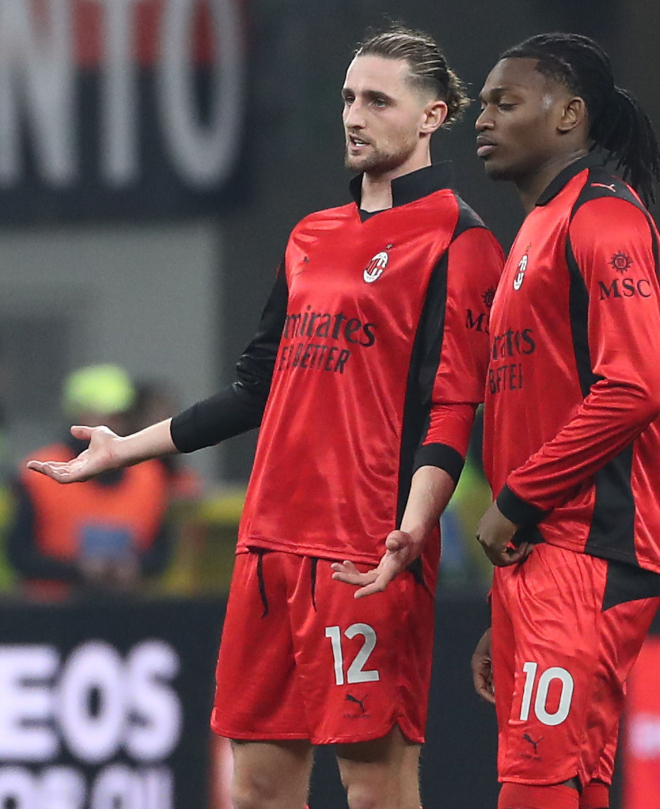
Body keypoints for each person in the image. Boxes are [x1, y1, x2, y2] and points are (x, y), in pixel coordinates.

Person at [27, 26, 502, 809]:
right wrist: (124, 451)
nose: (354, 114)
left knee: (374, 787)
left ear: (432, 116)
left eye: (378, 99)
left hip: (362, 548)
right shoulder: (308, 236)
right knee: (254, 788)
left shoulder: (459, 240)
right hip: (267, 545)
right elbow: (256, 387)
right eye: (349, 97)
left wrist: (414, 526)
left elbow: (450, 406)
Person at [473, 33, 660, 809]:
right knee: (575, 785)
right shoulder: (533, 228)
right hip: (541, 559)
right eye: (484, 103)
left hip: (590, 545)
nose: (483, 118)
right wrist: (507, 605)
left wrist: (517, 502)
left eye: (505, 102)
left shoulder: (605, 221)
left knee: (533, 787)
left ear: (568, 116)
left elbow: (635, 386)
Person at [9, 364, 172, 599]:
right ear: (78, 416)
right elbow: (19, 555)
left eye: (119, 416)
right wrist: (79, 570)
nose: (112, 426)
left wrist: (133, 568)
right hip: (50, 614)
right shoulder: (40, 472)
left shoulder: (149, 475)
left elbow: (160, 553)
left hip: (126, 613)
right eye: (103, 416)